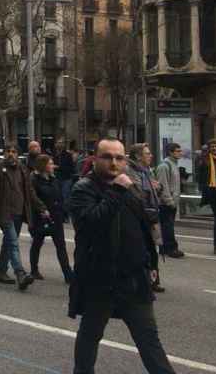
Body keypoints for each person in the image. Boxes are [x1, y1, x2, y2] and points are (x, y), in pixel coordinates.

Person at [68, 138, 175, 374]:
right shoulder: (83, 189)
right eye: (107, 157)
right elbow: (90, 224)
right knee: (90, 334)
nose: (114, 163)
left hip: (133, 279)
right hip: (100, 279)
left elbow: (141, 226)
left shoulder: (129, 186)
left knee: (149, 340)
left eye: (119, 158)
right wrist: (116, 190)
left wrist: (149, 262)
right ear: (95, 159)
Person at [0, 144, 45, 290]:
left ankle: (1, 271)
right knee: (13, 242)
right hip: (4, 214)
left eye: (14, 151)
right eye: (8, 151)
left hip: (18, 213)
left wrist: (41, 207)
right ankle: (20, 273)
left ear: (17, 154)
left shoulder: (22, 170)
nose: (11, 154)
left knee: (8, 243)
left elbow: (30, 192)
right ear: (4, 154)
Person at [128, 143, 166, 293]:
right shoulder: (130, 171)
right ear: (138, 156)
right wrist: (153, 188)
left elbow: (155, 189)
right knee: (141, 250)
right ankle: (141, 280)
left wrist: (158, 188)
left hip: (150, 215)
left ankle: (153, 280)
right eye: (147, 153)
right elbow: (137, 192)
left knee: (152, 249)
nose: (151, 156)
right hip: (138, 216)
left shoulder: (147, 171)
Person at [28, 154, 73, 283]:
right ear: (43, 165)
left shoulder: (53, 179)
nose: (53, 166)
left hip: (56, 216)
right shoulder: (34, 179)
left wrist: (63, 210)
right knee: (37, 243)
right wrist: (41, 210)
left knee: (61, 246)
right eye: (50, 163)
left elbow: (59, 196)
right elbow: (32, 198)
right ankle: (34, 270)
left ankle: (67, 274)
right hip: (41, 217)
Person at [155, 143, 185, 258]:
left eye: (180, 150)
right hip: (166, 202)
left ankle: (165, 248)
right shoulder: (165, 165)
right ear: (170, 152)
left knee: (167, 225)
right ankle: (171, 248)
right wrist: (169, 201)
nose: (180, 153)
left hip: (172, 201)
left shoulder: (173, 164)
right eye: (177, 151)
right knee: (167, 226)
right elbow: (163, 186)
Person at [196, 139, 216, 256]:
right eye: (212, 147)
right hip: (213, 194)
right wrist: (204, 188)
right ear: (209, 148)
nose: (215, 149)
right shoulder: (204, 160)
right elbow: (200, 177)